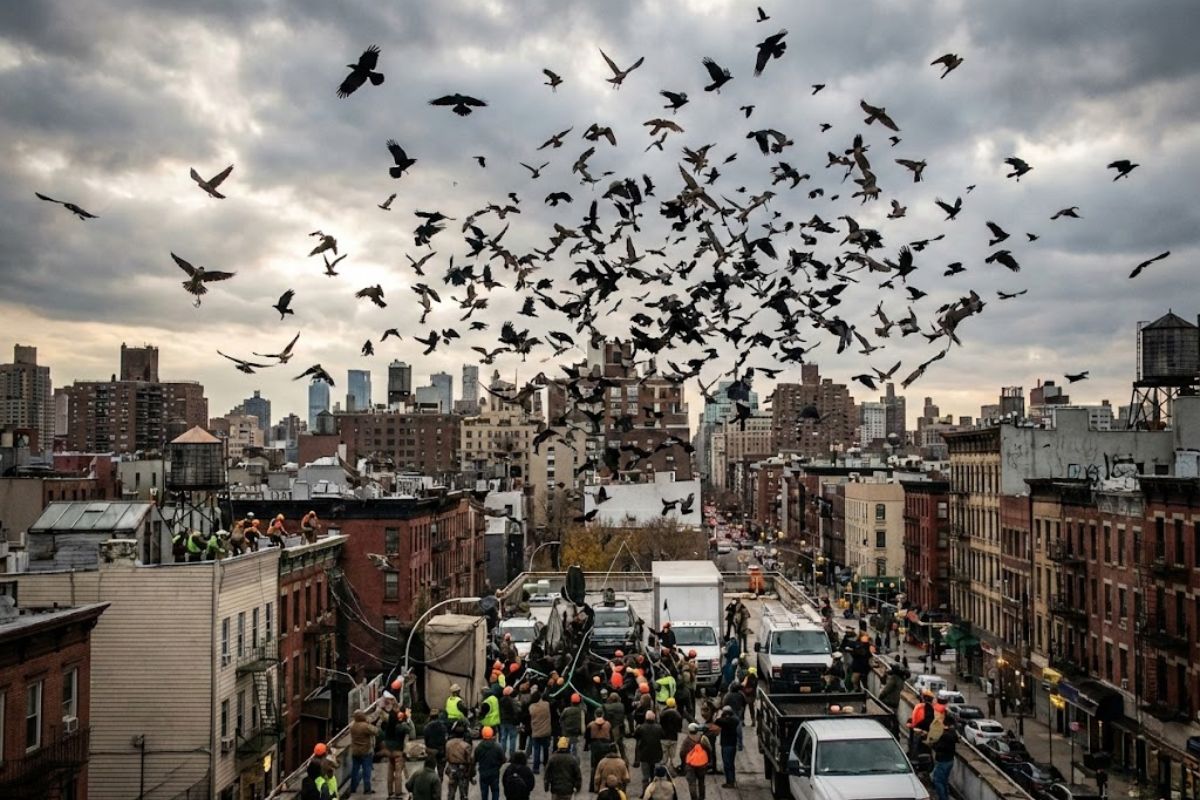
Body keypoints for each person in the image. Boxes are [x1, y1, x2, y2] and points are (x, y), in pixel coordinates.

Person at [380, 702, 415, 798]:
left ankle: (390, 791)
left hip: (389, 751)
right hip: (398, 752)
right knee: (398, 772)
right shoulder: (400, 726)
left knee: (390, 771)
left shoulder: (388, 726)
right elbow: (412, 733)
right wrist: (408, 718)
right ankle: (398, 791)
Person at [347, 709, 380, 795]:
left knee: (355, 770)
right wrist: (368, 723)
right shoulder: (365, 726)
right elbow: (376, 731)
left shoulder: (352, 726)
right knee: (367, 771)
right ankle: (367, 789)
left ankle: (353, 788)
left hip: (355, 752)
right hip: (366, 752)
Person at [679, 723, 713, 800]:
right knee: (701, 782)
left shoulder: (687, 741)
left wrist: (684, 762)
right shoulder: (703, 738)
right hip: (702, 764)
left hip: (690, 765)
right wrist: (708, 760)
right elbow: (709, 749)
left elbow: (682, 753)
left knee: (692, 783)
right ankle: (701, 797)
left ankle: (694, 798)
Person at [634, 710, 665, 791]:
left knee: (645, 776)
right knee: (655, 774)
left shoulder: (641, 728)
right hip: (656, 754)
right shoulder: (659, 727)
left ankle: (645, 791)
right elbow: (663, 735)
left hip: (644, 754)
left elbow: (635, 736)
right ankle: (655, 790)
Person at [475, 726, 507, 800]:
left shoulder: (479, 747)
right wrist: (498, 765)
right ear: (492, 734)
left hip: (483, 773)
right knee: (495, 791)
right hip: (494, 773)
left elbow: (475, 760)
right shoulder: (497, 746)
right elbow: (504, 760)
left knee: (484, 792)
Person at [931, 714, 958, 800]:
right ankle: (946, 796)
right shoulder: (952, 732)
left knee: (938, 781)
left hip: (943, 761)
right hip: (949, 760)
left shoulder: (945, 735)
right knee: (944, 781)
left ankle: (943, 798)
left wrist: (933, 743)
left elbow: (939, 747)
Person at [445, 726, 474, 800]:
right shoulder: (466, 746)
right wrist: (470, 774)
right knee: (464, 793)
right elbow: (469, 761)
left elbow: (446, 757)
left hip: (452, 769)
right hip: (463, 770)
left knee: (451, 792)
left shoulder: (448, 744)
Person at [528, 691, 553, 774]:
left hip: (536, 731)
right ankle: (546, 765)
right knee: (546, 749)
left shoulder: (531, 707)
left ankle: (536, 768)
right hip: (546, 731)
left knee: (536, 750)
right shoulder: (546, 705)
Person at [715, 706, 739, 788]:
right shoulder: (734, 719)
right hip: (731, 745)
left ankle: (730, 782)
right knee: (730, 764)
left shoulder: (728, 721)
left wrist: (720, 715)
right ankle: (731, 780)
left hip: (727, 745)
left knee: (727, 764)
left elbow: (717, 721)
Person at [659, 698, 683, 775]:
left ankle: (662, 772)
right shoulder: (678, 715)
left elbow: (660, 724)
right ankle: (671, 772)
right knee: (672, 757)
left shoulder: (662, 713)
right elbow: (679, 728)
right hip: (673, 738)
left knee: (663, 757)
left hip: (664, 737)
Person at [422, 709, 449, 780]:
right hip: (441, 751)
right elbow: (446, 738)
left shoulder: (426, 727)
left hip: (431, 751)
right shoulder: (443, 726)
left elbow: (426, 740)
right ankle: (439, 782)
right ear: (438, 716)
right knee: (440, 771)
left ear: (430, 716)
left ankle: (431, 783)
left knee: (430, 770)